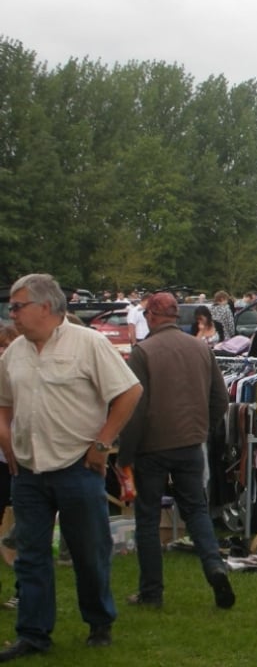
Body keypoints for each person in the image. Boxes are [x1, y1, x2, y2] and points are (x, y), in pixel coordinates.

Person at [0, 274, 142, 659]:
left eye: (17, 306)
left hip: (77, 468)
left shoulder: (89, 343)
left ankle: (99, 623)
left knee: (88, 553)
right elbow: (3, 402)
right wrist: (6, 439)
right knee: (30, 556)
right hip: (28, 473)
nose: (12, 314)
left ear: (45, 307)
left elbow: (130, 391)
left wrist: (102, 442)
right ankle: (32, 634)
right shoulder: (15, 352)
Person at [118, 293, 234, 610]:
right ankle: (214, 566)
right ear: (175, 317)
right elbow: (221, 400)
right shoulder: (200, 348)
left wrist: (124, 455)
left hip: (151, 448)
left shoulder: (143, 352)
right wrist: (202, 429)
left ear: (153, 316)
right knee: (196, 511)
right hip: (190, 444)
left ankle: (151, 593)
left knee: (147, 518)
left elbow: (136, 409)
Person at [0, 327, 18, 610]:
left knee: (28, 528)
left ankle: (23, 592)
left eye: (8, 344)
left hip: (24, 461)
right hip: (4, 461)